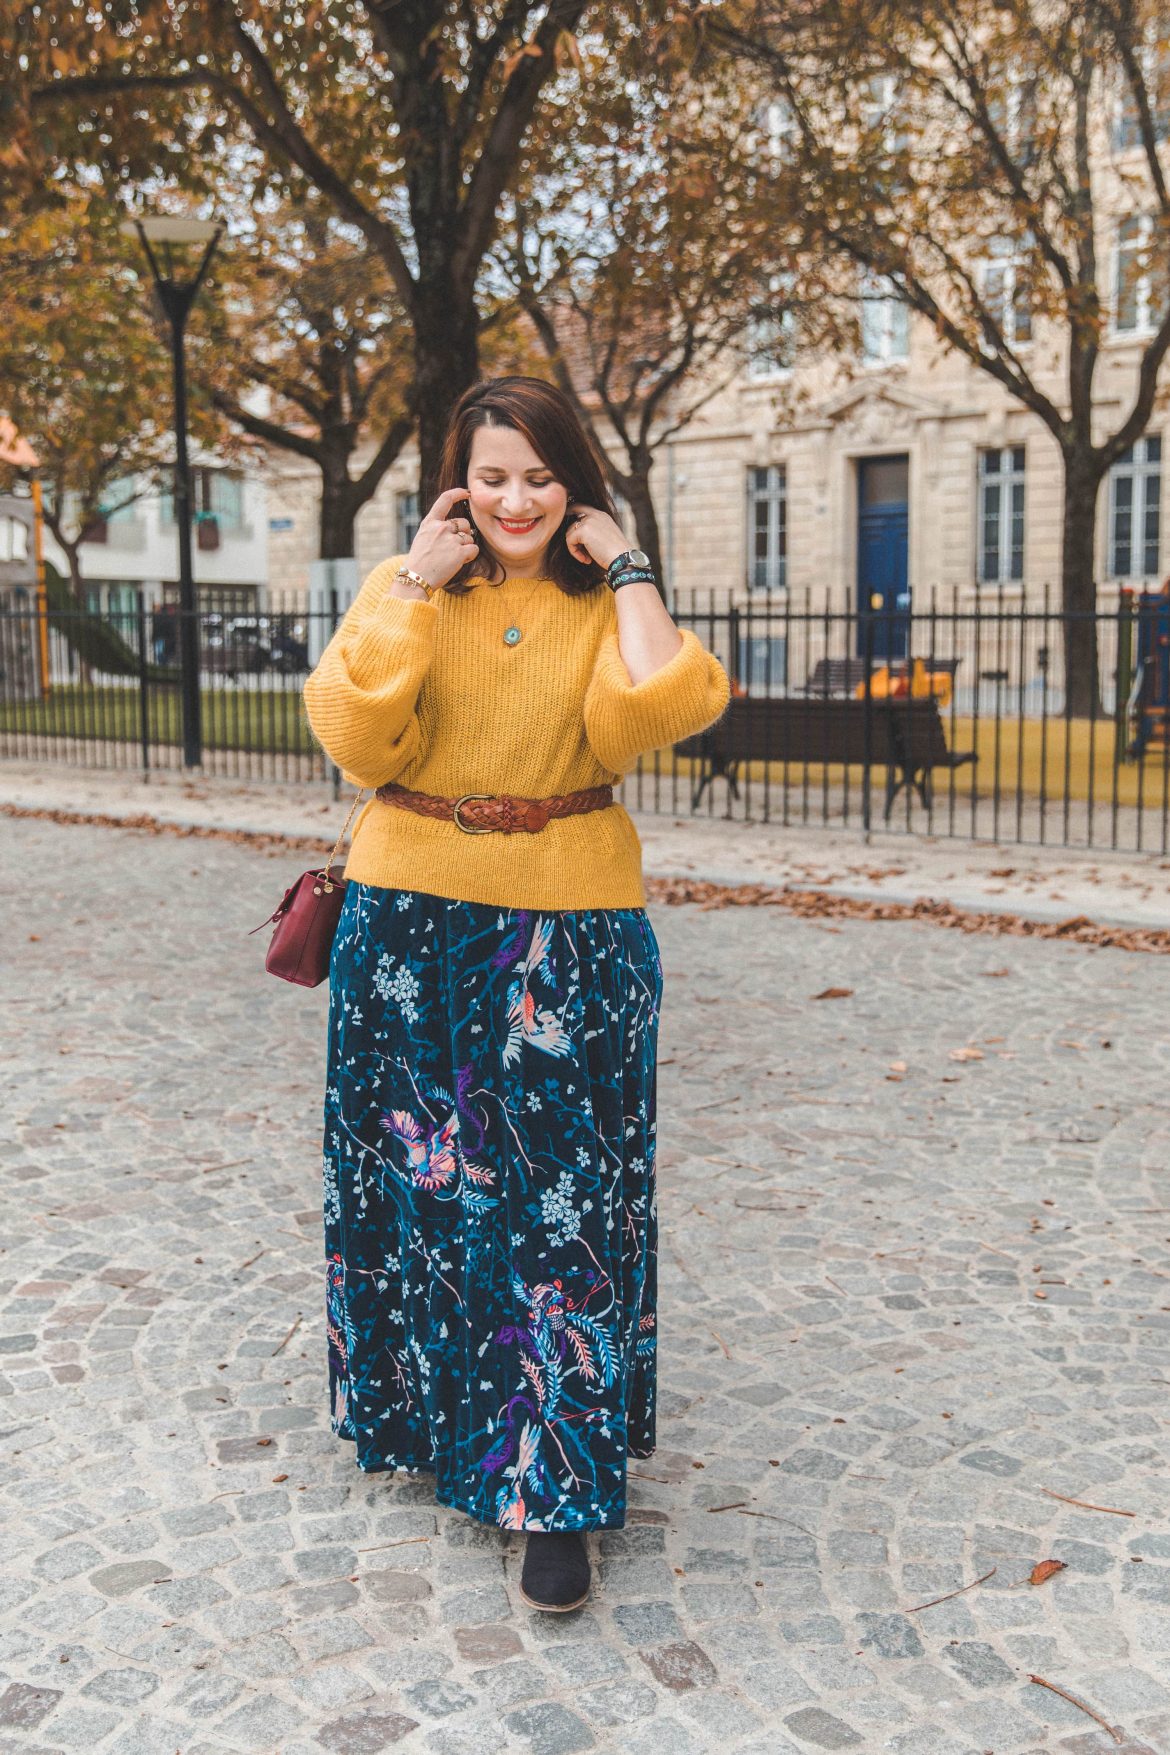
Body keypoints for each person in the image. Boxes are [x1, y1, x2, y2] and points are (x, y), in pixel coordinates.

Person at [302, 375, 730, 1612]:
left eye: (540, 476)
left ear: (574, 484)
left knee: (562, 1209)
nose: (516, 500)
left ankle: (556, 1494)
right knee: (419, 1184)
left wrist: (629, 565)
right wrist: (411, 587)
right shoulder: (416, 588)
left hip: (570, 925)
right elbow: (354, 734)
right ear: (458, 483)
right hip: (407, 917)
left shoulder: (599, 602)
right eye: (492, 476)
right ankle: (432, 1424)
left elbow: (665, 706)